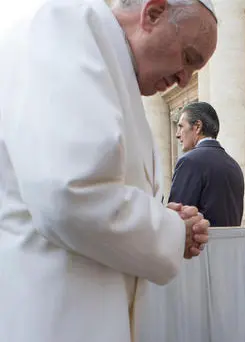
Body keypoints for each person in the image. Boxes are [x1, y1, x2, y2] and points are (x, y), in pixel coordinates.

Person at [0, 0, 218, 341]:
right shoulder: (65, 26)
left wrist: (161, 216)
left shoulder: (107, 59)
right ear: (154, 12)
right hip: (54, 318)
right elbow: (69, 195)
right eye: (188, 58)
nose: (184, 79)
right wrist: (172, 232)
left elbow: (99, 183)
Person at [169, 102, 245, 227]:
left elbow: (175, 221)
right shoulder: (235, 166)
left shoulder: (189, 162)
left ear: (197, 126)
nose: (177, 134)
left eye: (181, 126)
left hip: (201, 246)